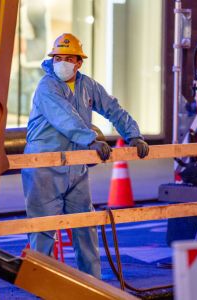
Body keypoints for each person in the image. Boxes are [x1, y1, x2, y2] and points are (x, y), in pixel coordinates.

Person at [21, 33, 149, 279]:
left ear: (79, 62)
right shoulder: (46, 86)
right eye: (57, 58)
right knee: (43, 232)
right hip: (44, 168)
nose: (62, 63)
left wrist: (134, 135)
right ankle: (40, 287)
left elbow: (112, 108)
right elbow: (64, 117)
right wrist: (90, 139)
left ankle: (92, 285)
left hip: (76, 168)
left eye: (68, 58)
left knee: (86, 229)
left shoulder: (87, 86)